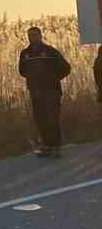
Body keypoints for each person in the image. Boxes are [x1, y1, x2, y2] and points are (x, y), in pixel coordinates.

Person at [18, 26, 71, 157]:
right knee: (40, 119)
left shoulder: (50, 52)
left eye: (35, 35)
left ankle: (56, 147)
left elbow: (66, 68)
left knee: (53, 118)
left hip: (52, 92)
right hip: (36, 93)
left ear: (40, 36)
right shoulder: (25, 54)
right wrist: (33, 80)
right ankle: (47, 146)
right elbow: (22, 71)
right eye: (30, 36)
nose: (32, 38)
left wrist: (53, 79)